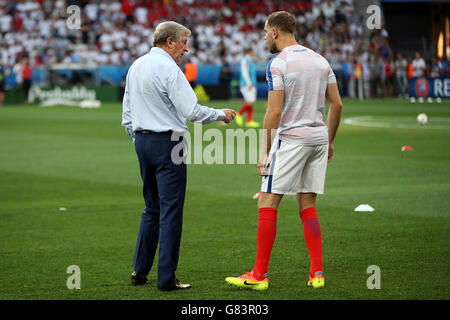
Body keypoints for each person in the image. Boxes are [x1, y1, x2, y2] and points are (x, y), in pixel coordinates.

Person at [225, 11, 343, 291]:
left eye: (266, 32)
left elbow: (274, 111)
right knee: (308, 205)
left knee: (266, 203)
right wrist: (329, 140)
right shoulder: (320, 60)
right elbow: (336, 105)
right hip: (317, 138)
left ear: (275, 32)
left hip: (291, 140)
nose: (265, 37)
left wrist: (265, 150)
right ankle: (317, 273)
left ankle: (258, 275)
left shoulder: (277, 63)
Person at [121, 21, 236, 291]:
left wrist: (137, 139)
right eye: (183, 41)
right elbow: (191, 110)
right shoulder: (169, 69)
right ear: (169, 41)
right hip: (168, 143)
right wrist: (221, 114)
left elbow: (127, 111)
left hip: (143, 142)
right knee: (171, 211)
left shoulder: (137, 65)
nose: (186, 47)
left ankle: (140, 270)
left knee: (151, 207)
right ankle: (166, 278)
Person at [236, 47, 260, 128]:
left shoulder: (250, 60)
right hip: (247, 84)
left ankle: (249, 121)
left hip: (252, 84)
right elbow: (244, 71)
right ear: (250, 51)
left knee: (251, 102)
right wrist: (249, 83)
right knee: (251, 102)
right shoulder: (245, 60)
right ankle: (239, 114)